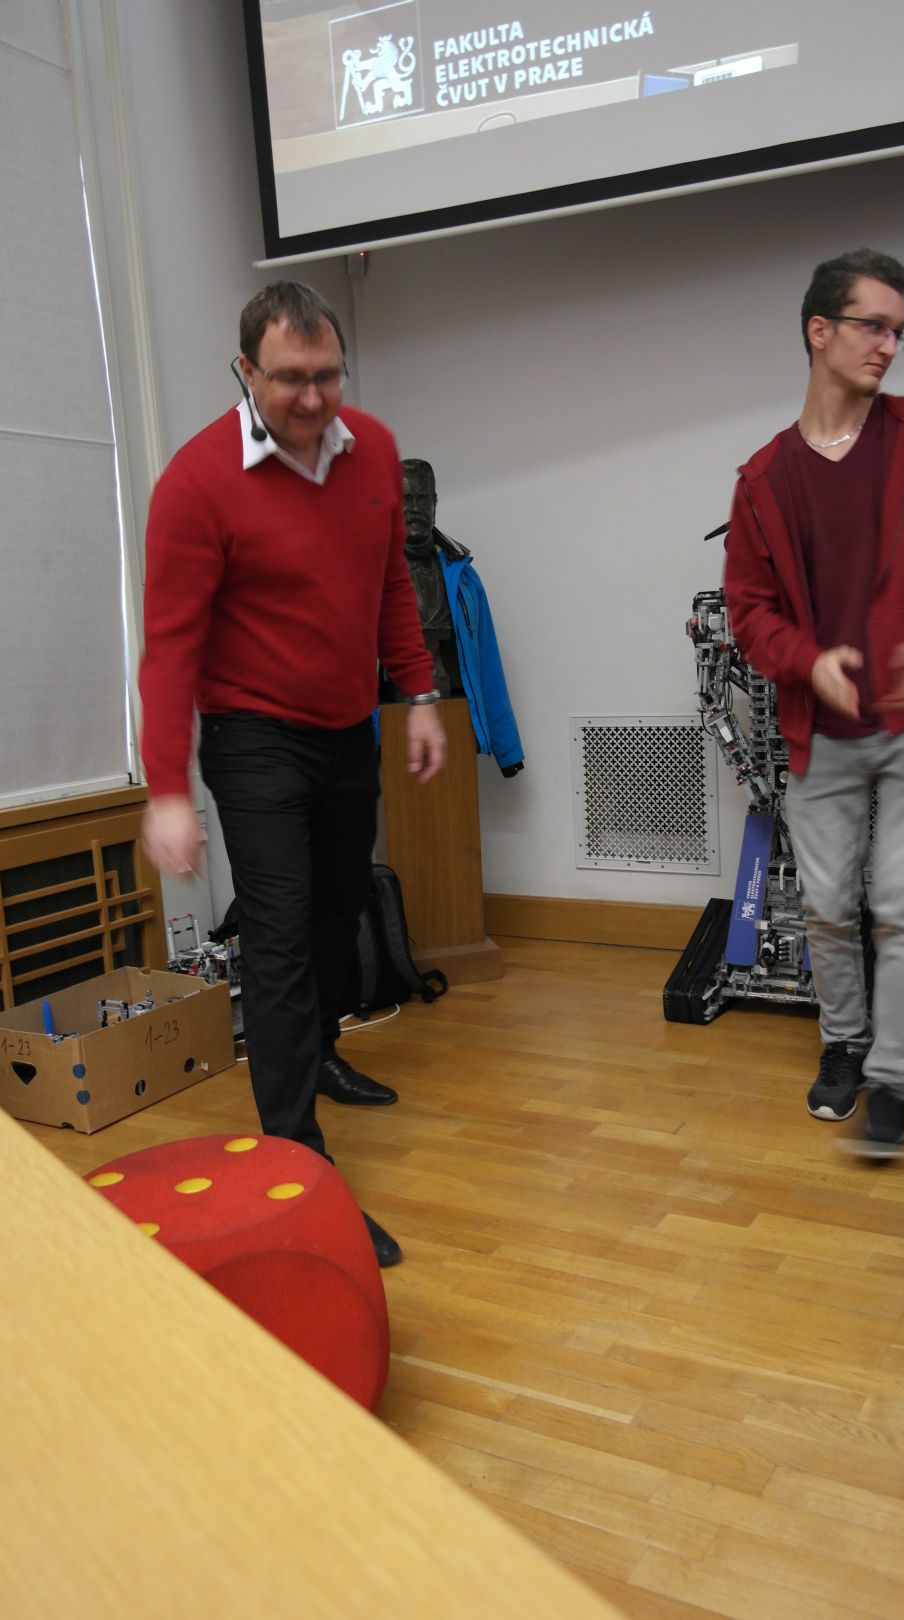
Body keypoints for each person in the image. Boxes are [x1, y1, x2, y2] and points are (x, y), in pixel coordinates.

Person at [139, 281, 446, 1265]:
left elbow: (389, 582)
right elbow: (169, 650)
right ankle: (298, 1171)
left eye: (327, 376)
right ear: (245, 371)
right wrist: (167, 788)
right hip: (253, 736)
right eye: (288, 380)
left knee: (337, 909)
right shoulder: (196, 484)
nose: (313, 400)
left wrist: (420, 693)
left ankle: (318, 1054)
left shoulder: (375, 450)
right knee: (277, 936)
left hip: (348, 725)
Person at [723, 248, 904, 1155]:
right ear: (819, 330)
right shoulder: (764, 479)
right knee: (831, 905)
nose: (889, 345)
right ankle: (844, 1043)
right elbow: (750, 613)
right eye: (873, 325)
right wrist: (808, 662)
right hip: (822, 727)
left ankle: (895, 1079)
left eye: (899, 331)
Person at [380, 458, 524, 776]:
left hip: (453, 713)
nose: (414, 508)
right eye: (405, 499)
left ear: (434, 503)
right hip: (394, 716)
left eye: (422, 498)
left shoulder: (464, 580)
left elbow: (488, 664)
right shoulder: (371, 578)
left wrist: (507, 749)